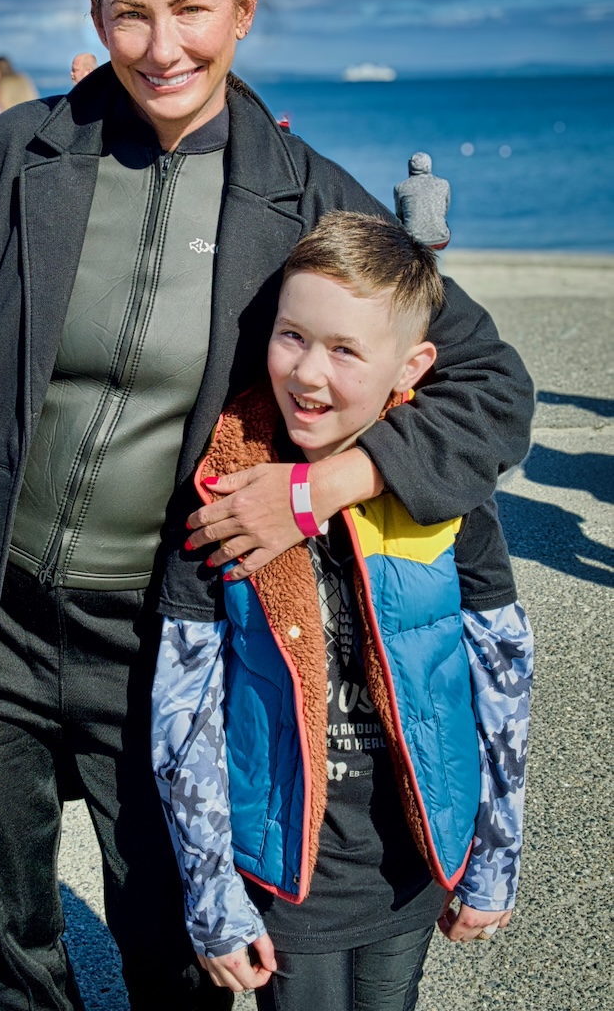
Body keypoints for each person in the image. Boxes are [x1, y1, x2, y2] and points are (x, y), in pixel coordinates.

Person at [0, 0, 534, 1011]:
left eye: (190, 9)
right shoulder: (10, 160)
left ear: (243, 9)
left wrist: (319, 490)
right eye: (130, 13)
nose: (161, 46)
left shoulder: (305, 198)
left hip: (157, 626)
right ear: (94, 14)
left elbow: (485, 383)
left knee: (173, 935)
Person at [152, 210, 533, 1009]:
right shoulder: (223, 489)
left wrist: (495, 858)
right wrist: (212, 896)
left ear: (412, 367)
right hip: (288, 871)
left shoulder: (446, 494)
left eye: (346, 350)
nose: (308, 374)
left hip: (414, 858)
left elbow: (502, 677)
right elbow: (185, 713)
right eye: (292, 336)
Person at [393, 151, 451, 249]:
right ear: (429, 166)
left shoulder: (400, 187)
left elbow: (399, 215)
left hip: (413, 241)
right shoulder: (444, 184)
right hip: (440, 240)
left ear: (409, 166)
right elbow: (444, 211)